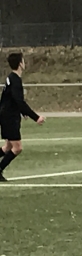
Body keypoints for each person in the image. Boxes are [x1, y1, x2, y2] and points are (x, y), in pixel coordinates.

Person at [0, 52, 45, 182]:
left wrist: (22, 112)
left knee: (8, 147)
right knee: (17, 148)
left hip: (7, 115)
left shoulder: (11, 78)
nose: (24, 63)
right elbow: (19, 101)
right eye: (23, 61)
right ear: (20, 64)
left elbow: (9, 100)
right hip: (9, 117)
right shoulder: (15, 80)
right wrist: (36, 117)